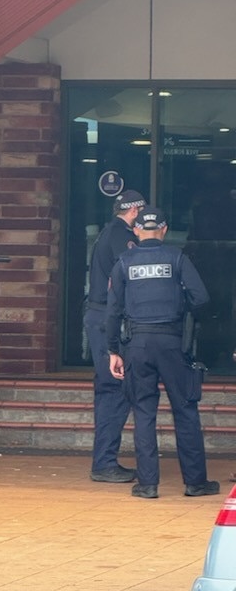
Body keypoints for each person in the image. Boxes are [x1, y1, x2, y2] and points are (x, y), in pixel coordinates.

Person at [106, 206, 220, 499]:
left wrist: (113, 350)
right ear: (165, 230)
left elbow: (113, 311)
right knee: (185, 409)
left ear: (136, 230)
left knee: (143, 412)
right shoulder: (177, 257)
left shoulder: (124, 262)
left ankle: (148, 484)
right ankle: (195, 483)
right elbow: (202, 297)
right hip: (172, 343)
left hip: (137, 345)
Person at [84, 189, 146, 483]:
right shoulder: (122, 236)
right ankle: (105, 463)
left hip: (99, 316)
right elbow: (132, 276)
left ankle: (104, 460)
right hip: (108, 319)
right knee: (114, 389)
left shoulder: (108, 233)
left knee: (109, 389)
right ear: (134, 212)